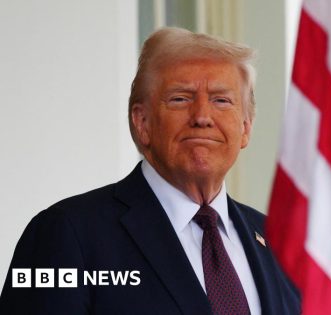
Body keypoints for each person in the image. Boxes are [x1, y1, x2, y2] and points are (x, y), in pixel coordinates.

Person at [0, 27, 300, 315]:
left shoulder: (278, 243)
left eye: (221, 100)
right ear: (142, 123)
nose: (202, 117)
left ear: (246, 128)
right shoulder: (66, 233)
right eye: (181, 98)